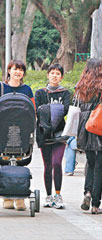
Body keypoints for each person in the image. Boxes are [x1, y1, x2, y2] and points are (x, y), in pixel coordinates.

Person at [0, 60, 35, 211]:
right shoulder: (0, 87)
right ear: (9, 71)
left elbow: (32, 108)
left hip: (22, 131)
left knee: (21, 160)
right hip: (4, 130)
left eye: (21, 70)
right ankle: (7, 197)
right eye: (15, 69)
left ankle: (20, 197)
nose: (18, 72)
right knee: (5, 160)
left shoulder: (27, 89)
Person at [35, 64, 70, 209]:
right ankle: (48, 195)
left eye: (57, 73)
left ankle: (58, 194)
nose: (54, 76)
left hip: (60, 134)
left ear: (61, 77)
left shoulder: (66, 93)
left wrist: (48, 110)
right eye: (52, 73)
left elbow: (66, 109)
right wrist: (55, 109)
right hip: (44, 134)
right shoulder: (40, 93)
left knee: (57, 163)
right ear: (47, 75)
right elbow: (38, 110)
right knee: (47, 165)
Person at [75, 58, 102, 214]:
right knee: (99, 166)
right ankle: (95, 204)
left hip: (84, 128)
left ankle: (88, 192)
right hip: (98, 126)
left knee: (90, 163)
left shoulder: (81, 86)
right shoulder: (101, 87)